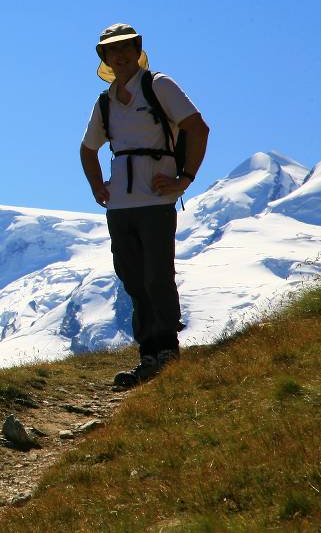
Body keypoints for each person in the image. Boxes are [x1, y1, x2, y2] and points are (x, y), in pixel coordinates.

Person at [79, 23, 210, 388]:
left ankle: (167, 350)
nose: (119, 55)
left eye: (126, 48)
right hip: (120, 202)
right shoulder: (105, 101)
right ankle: (149, 354)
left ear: (138, 50)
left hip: (155, 198)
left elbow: (198, 128)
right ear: (104, 57)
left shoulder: (158, 85)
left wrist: (184, 179)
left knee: (157, 274)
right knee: (133, 277)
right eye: (111, 50)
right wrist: (97, 187)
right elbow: (87, 149)